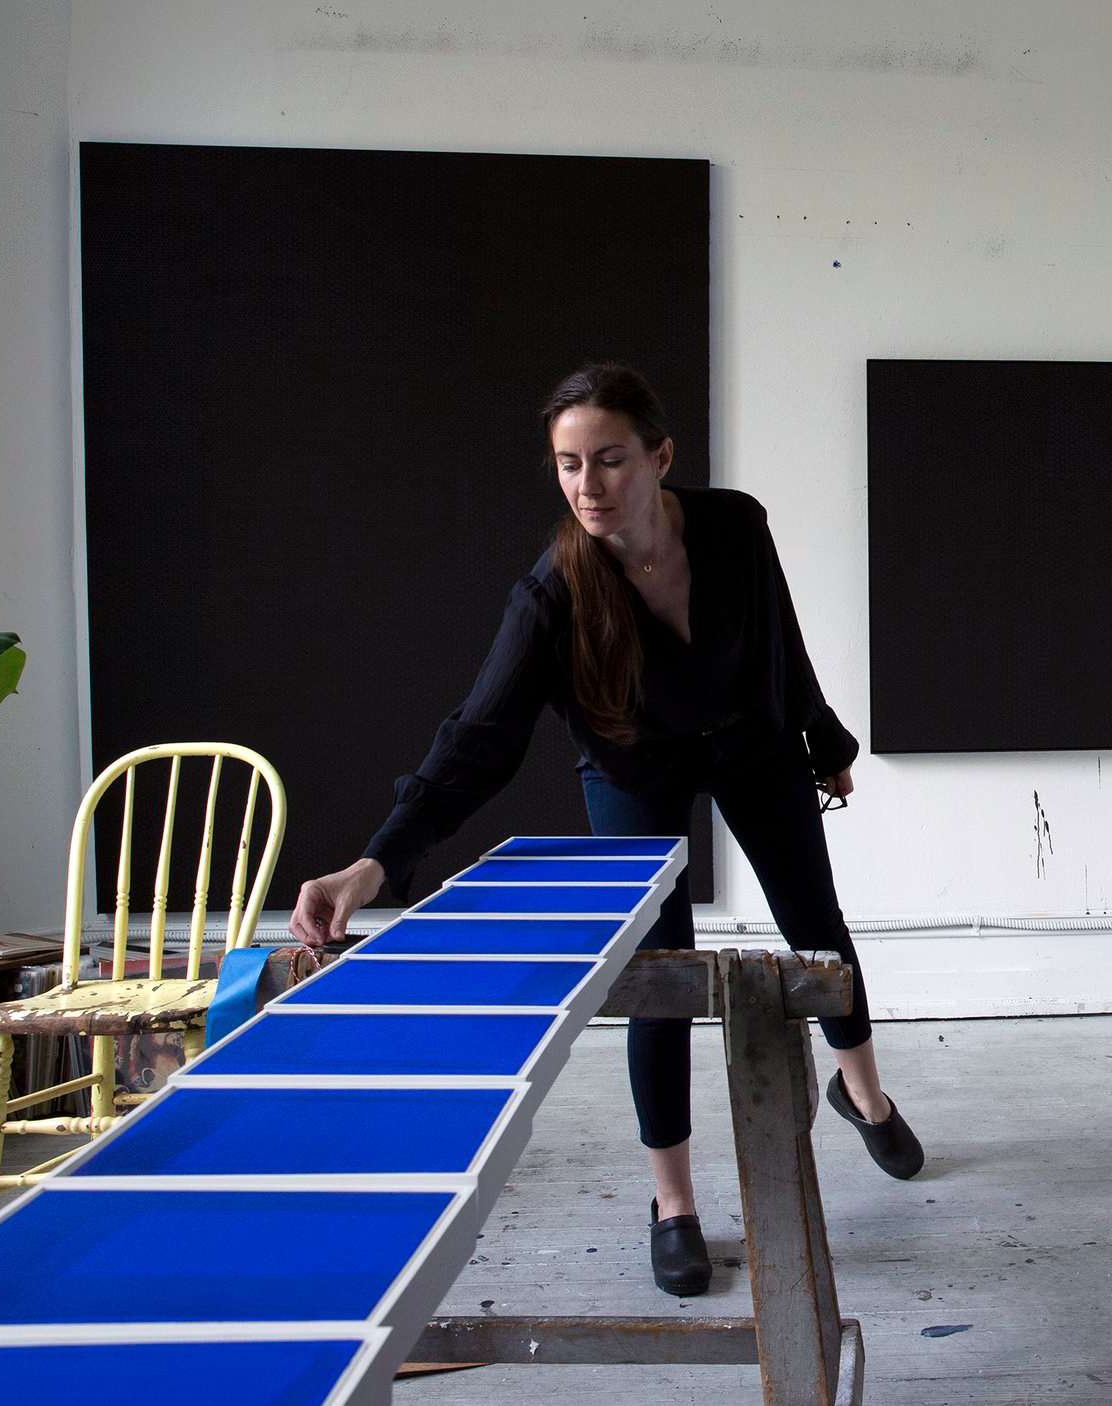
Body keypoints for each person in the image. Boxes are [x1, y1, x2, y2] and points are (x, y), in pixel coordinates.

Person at [288, 361, 923, 1297]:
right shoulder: (551, 596)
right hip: (635, 766)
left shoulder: (736, 525)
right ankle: (673, 1203)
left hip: (751, 744)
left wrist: (822, 740)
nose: (589, 486)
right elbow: (475, 742)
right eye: (568, 464)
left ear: (661, 457)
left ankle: (860, 1089)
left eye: (612, 460)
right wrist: (376, 863)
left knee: (816, 925)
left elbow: (780, 641)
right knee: (659, 974)